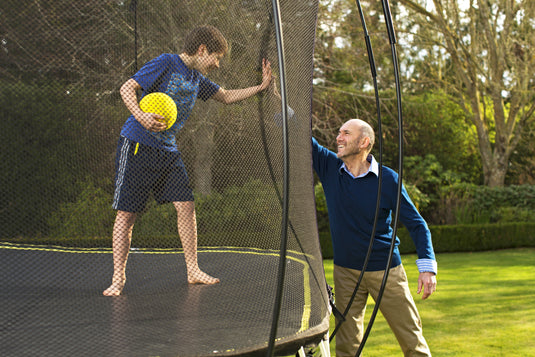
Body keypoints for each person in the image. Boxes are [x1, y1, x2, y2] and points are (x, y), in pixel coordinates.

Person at [103, 26, 273, 296]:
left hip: (167, 150)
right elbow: (128, 88)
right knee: (127, 214)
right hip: (137, 145)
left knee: (186, 206)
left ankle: (193, 270)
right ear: (202, 50)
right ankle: (117, 279)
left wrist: (262, 87)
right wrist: (140, 115)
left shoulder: (197, 78)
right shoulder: (166, 62)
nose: (217, 64)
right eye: (216, 57)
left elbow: (226, 96)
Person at [312, 119, 437, 356]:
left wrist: (427, 268)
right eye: (339, 132)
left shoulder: (388, 179)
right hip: (346, 273)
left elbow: (417, 224)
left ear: (364, 142)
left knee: (412, 341)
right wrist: (277, 99)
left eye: (346, 133)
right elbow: (299, 136)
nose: (338, 137)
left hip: (386, 272)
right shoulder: (329, 167)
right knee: (347, 346)